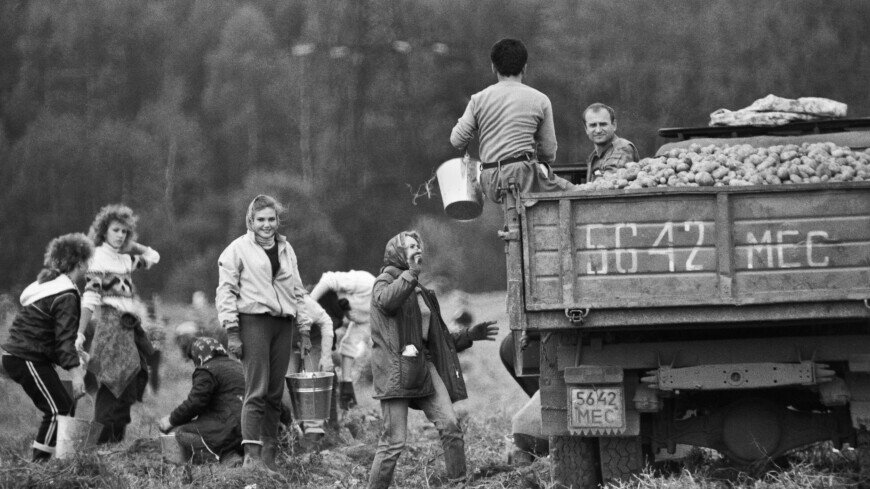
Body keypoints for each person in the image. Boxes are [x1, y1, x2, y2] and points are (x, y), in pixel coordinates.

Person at [367, 231, 499, 488]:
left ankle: (458, 483)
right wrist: (411, 273)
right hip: (395, 369)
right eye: (410, 246)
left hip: (423, 365)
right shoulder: (385, 281)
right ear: (396, 252)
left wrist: (470, 335)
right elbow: (388, 303)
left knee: (450, 426)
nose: (417, 250)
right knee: (394, 442)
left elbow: (437, 340)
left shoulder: (420, 290)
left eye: (418, 246)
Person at [216, 194, 311, 476]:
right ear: (251, 221)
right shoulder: (237, 249)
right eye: (260, 220)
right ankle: (251, 457)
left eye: (271, 219)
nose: (266, 225)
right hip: (253, 321)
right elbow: (226, 290)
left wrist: (304, 328)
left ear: (278, 221)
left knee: (274, 392)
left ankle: (270, 457)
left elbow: (298, 290)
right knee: (256, 390)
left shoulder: (286, 248)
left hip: (283, 324)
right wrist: (232, 331)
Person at [450, 38, 577, 203]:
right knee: (575, 192)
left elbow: (457, 140)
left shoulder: (478, 99)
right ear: (525, 68)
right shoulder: (540, 99)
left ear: (493, 67)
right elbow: (548, 151)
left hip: (490, 180)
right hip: (522, 176)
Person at [1, 233, 93, 461]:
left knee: (65, 406)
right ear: (80, 263)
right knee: (56, 410)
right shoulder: (66, 294)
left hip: (29, 355)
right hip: (25, 357)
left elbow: (51, 337)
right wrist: (76, 375)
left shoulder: (54, 287)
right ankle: (38, 469)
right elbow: (62, 341)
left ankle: (60, 461)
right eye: (88, 260)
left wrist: (75, 354)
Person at [75, 204, 160, 444]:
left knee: (128, 388)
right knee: (110, 386)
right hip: (110, 327)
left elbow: (154, 256)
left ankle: (115, 445)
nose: (120, 235)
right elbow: (90, 297)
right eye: (115, 230)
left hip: (129, 328)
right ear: (104, 231)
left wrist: (131, 244)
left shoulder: (125, 259)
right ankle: (95, 446)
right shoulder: (97, 257)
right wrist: (80, 332)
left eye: (124, 231)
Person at [158, 336, 245, 466]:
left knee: (182, 432)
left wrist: (171, 420)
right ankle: (240, 453)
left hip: (231, 428)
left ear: (198, 356)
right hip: (251, 428)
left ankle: (226, 456)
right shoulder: (238, 366)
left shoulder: (207, 370)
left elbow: (195, 403)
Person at [309, 269, 376, 410]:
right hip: (317, 299)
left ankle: (327, 421)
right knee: (319, 375)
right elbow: (329, 279)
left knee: (328, 379)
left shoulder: (375, 317)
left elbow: (350, 343)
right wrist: (308, 305)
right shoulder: (368, 283)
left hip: (329, 322)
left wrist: (347, 381)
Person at [285, 294, 334, 440]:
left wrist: (326, 357)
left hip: (313, 339)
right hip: (288, 341)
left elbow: (326, 322)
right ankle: (292, 428)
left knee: (311, 382)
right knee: (286, 383)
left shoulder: (305, 303)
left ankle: (313, 430)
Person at [584, 103, 641, 182]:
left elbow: (607, 184)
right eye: (593, 125)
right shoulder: (594, 155)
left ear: (614, 125)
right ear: (586, 129)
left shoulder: (622, 148)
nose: (598, 130)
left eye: (603, 124)